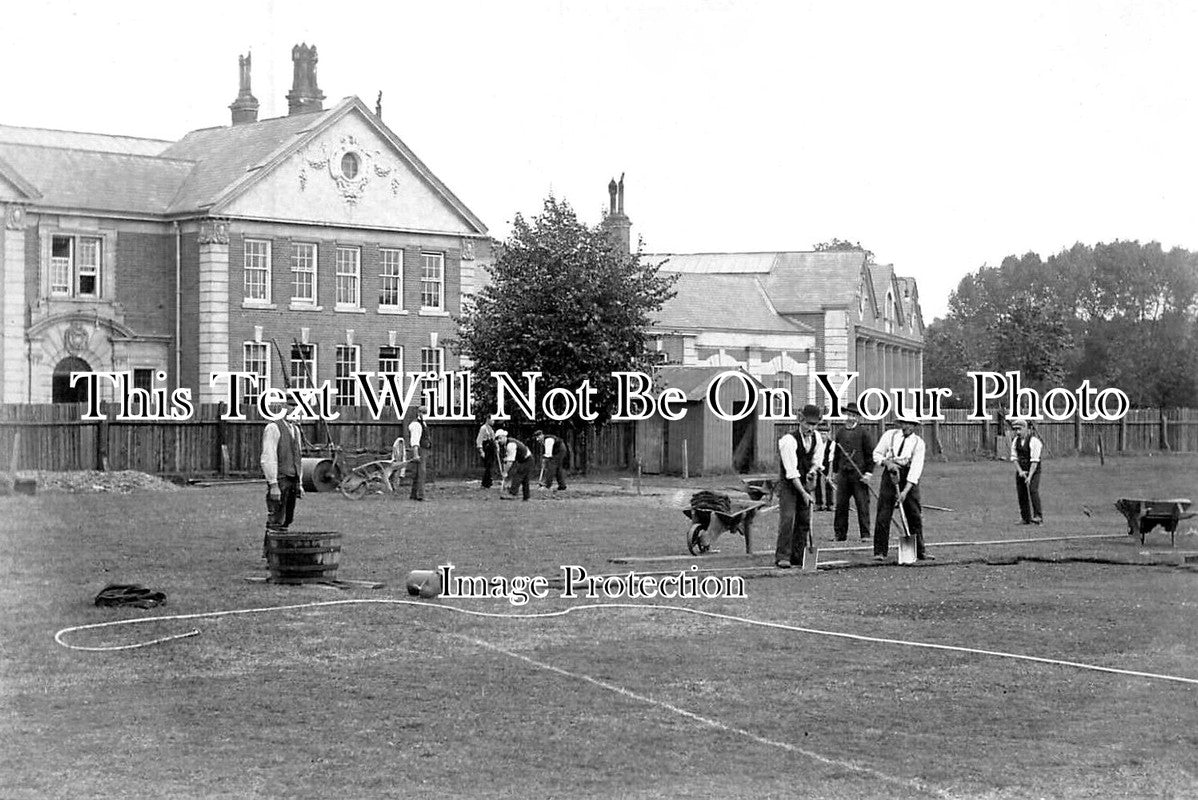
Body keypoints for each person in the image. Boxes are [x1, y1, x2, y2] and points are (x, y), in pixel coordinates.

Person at [872, 413, 930, 561]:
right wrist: (888, 463)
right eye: (904, 423)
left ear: (915, 426)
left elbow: (916, 469)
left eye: (910, 424)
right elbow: (876, 454)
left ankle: (919, 551)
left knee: (914, 514)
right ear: (900, 423)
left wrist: (904, 492)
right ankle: (880, 551)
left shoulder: (919, 443)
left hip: (908, 476)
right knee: (884, 513)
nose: (906, 427)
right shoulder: (889, 436)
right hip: (889, 473)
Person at [774, 403, 824, 569]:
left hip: (805, 482)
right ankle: (783, 556)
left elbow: (817, 461)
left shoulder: (817, 438)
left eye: (814, 424)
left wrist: (812, 471)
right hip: (789, 484)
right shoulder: (788, 441)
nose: (811, 427)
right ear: (801, 421)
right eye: (808, 424)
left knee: (804, 519)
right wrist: (803, 493)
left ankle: (798, 555)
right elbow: (791, 471)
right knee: (788, 518)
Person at [260, 393, 304, 558]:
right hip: (280, 479)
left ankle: (280, 553)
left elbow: (298, 457)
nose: (292, 410)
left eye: (294, 406)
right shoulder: (273, 428)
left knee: (287, 519)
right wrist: (273, 484)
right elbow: (268, 456)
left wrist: (299, 483)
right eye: (289, 406)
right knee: (276, 519)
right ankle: (270, 555)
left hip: (292, 479)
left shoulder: (295, 430)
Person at [831, 402, 875, 541]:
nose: (850, 418)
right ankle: (840, 534)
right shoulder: (840, 433)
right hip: (843, 474)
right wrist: (835, 472)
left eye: (853, 415)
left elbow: (870, 455)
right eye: (849, 415)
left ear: (857, 418)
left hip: (859, 475)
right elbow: (836, 454)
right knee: (841, 505)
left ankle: (865, 534)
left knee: (862, 504)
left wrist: (868, 473)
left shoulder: (864, 433)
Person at [1010, 418, 1044, 524]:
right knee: (1021, 493)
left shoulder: (1034, 442)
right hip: (1021, 470)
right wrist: (1020, 471)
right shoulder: (1015, 441)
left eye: (1020, 429)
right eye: (1016, 430)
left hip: (1033, 470)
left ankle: (1038, 516)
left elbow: (1034, 461)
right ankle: (1025, 518)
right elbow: (1014, 458)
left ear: (1026, 429)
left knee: (1033, 490)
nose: (1018, 432)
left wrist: (1029, 477)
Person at [496, 429, 533, 501]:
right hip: (524, 459)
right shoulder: (506, 444)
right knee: (525, 479)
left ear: (504, 437)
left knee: (518, 475)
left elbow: (510, 461)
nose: (499, 440)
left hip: (527, 459)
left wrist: (505, 472)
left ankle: (512, 493)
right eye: (498, 439)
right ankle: (526, 497)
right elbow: (507, 458)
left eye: (500, 438)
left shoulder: (511, 445)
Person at [813, 420, 834, 511]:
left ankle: (830, 504)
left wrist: (829, 474)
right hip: (817, 465)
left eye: (824, 434)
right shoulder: (815, 443)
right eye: (821, 434)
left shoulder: (831, 444)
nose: (823, 436)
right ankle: (818, 504)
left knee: (828, 483)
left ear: (828, 434)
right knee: (816, 483)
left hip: (827, 465)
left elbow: (831, 460)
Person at [407, 406, 427, 501]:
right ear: (419, 413)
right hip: (419, 450)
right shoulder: (416, 425)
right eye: (423, 412)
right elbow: (415, 441)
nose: (425, 415)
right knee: (421, 472)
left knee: (418, 473)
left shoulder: (423, 424)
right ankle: (420, 495)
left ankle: (414, 494)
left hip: (423, 449)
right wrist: (416, 454)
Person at [476, 415, 498, 489]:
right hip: (486, 448)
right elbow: (479, 439)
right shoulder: (483, 428)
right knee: (487, 466)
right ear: (488, 419)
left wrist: (496, 447)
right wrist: (481, 450)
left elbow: (494, 439)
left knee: (490, 466)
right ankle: (485, 483)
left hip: (491, 448)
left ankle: (488, 482)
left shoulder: (491, 429)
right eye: (492, 420)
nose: (493, 422)